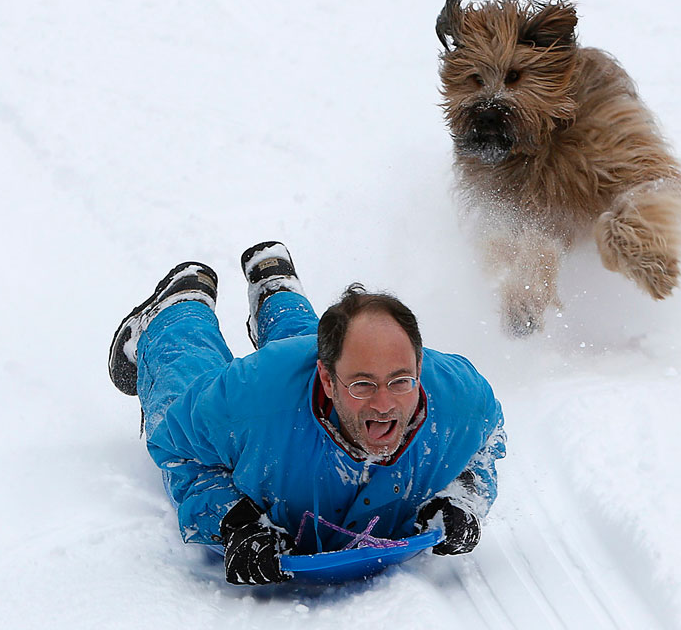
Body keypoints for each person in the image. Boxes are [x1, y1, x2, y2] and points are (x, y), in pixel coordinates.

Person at [107, 241, 506, 585]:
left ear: (419, 369)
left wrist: (464, 496)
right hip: (272, 389)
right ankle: (178, 310)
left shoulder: (463, 402)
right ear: (328, 382)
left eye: (401, 381)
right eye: (363, 385)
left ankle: (275, 286)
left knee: (318, 341)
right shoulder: (252, 398)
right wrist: (232, 521)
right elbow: (177, 447)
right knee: (188, 382)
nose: (385, 405)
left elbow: (488, 444)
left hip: (306, 365)